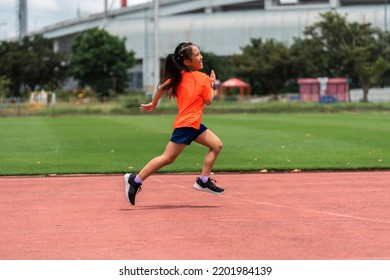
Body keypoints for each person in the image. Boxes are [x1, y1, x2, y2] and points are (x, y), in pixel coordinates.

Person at [124, 42, 224, 205]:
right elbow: (209, 100)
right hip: (187, 125)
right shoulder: (203, 78)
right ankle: (135, 180)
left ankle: (204, 180)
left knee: (216, 145)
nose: (201, 57)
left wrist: (154, 103)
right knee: (168, 157)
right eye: (197, 54)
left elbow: (162, 87)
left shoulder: (179, 77)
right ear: (187, 61)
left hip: (193, 125)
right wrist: (213, 84)